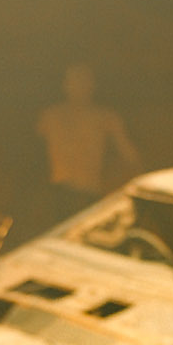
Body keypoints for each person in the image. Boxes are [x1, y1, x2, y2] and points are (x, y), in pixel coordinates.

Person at [35, 62, 141, 226]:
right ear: (65, 85)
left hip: (88, 194)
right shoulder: (50, 117)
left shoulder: (105, 118)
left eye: (84, 81)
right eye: (74, 81)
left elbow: (130, 156)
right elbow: (32, 156)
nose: (79, 86)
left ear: (92, 85)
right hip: (58, 195)